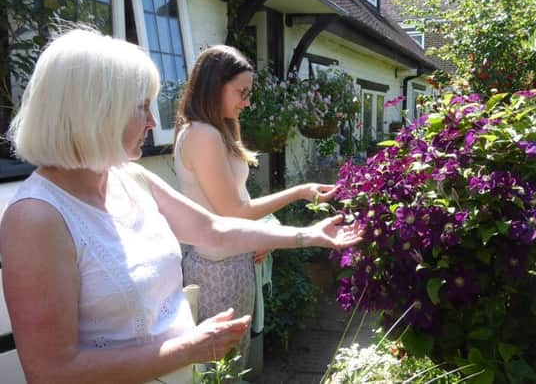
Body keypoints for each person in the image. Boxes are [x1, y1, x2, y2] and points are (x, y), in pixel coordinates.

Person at [0, 29, 362, 384]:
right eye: (141, 107)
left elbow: (213, 230)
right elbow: (51, 373)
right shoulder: (36, 219)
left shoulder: (132, 178)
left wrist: (309, 235)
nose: (153, 122)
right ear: (95, 113)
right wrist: (188, 349)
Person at [173, 45, 337, 378]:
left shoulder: (211, 129)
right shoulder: (203, 135)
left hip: (227, 261)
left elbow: (231, 206)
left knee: (228, 367)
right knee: (220, 371)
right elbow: (234, 210)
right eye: (241, 92)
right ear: (213, 84)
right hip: (219, 271)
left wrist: (258, 234)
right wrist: (299, 192)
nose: (246, 102)